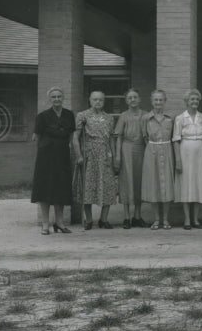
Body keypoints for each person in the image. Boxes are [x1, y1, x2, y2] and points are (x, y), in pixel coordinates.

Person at [31, 87, 75, 234]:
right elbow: (36, 138)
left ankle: (60, 223)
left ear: (63, 98)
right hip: (46, 157)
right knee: (45, 189)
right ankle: (45, 224)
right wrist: (41, 155)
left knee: (60, 188)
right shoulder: (42, 116)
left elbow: (70, 136)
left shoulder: (69, 115)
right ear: (49, 99)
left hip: (62, 156)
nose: (57, 99)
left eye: (59, 96)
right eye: (54, 97)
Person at [74, 91, 118, 230]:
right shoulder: (83, 116)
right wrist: (79, 155)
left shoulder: (109, 118)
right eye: (95, 99)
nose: (97, 102)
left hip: (105, 154)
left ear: (104, 101)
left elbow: (111, 138)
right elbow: (75, 137)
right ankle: (88, 219)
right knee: (88, 186)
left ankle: (104, 219)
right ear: (90, 100)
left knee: (108, 185)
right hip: (89, 154)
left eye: (100, 100)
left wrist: (114, 156)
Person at [173, 89, 202, 230]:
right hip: (185, 150)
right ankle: (186, 219)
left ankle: (195, 219)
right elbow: (176, 139)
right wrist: (178, 159)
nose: (195, 102)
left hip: (200, 151)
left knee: (197, 182)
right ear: (186, 101)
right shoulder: (180, 118)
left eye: (197, 99)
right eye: (192, 99)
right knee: (186, 183)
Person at [141, 90, 175, 230]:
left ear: (165, 101)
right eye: (156, 100)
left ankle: (165, 219)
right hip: (152, 152)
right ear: (151, 101)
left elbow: (174, 137)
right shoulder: (145, 118)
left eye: (161, 100)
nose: (158, 103)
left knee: (166, 184)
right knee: (154, 184)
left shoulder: (170, 118)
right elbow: (144, 137)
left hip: (167, 151)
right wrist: (151, 150)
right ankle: (156, 219)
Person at [113, 89, 147, 229]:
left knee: (139, 181)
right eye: (130, 98)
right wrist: (118, 155)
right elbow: (119, 136)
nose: (133, 100)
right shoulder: (123, 116)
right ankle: (127, 217)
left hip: (141, 149)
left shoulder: (145, 115)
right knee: (127, 181)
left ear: (139, 99)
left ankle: (137, 216)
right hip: (127, 149)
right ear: (126, 100)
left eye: (135, 97)